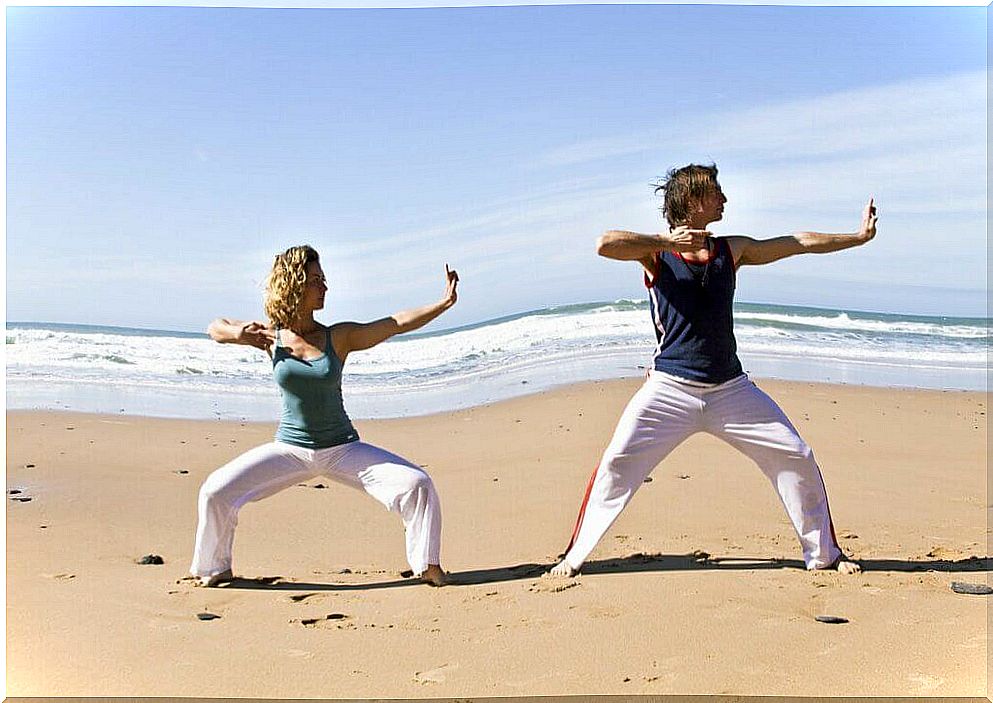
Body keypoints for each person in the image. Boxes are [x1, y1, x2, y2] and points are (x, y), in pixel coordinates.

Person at [551, 163, 875, 577]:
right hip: (669, 389)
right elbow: (605, 244)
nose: (724, 199)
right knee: (616, 462)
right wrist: (664, 240)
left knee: (797, 455)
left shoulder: (731, 249)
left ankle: (824, 555)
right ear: (693, 201)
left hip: (730, 391)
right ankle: (573, 558)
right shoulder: (655, 253)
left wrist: (857, 237)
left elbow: (796, 243)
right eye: (716, 192)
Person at [188, 245, 458, 587]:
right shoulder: (271, 336)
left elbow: (395, 324)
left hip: (343, 449)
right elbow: (216, 327)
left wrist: (443, 303)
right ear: (295, 284)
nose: (325, 287)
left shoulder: (338, 337)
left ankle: (428, 565)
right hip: (290, 450)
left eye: (323, 279)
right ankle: (215, 568)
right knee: (215, 492)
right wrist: (237, 334)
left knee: (417, 484)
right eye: (316, 280)